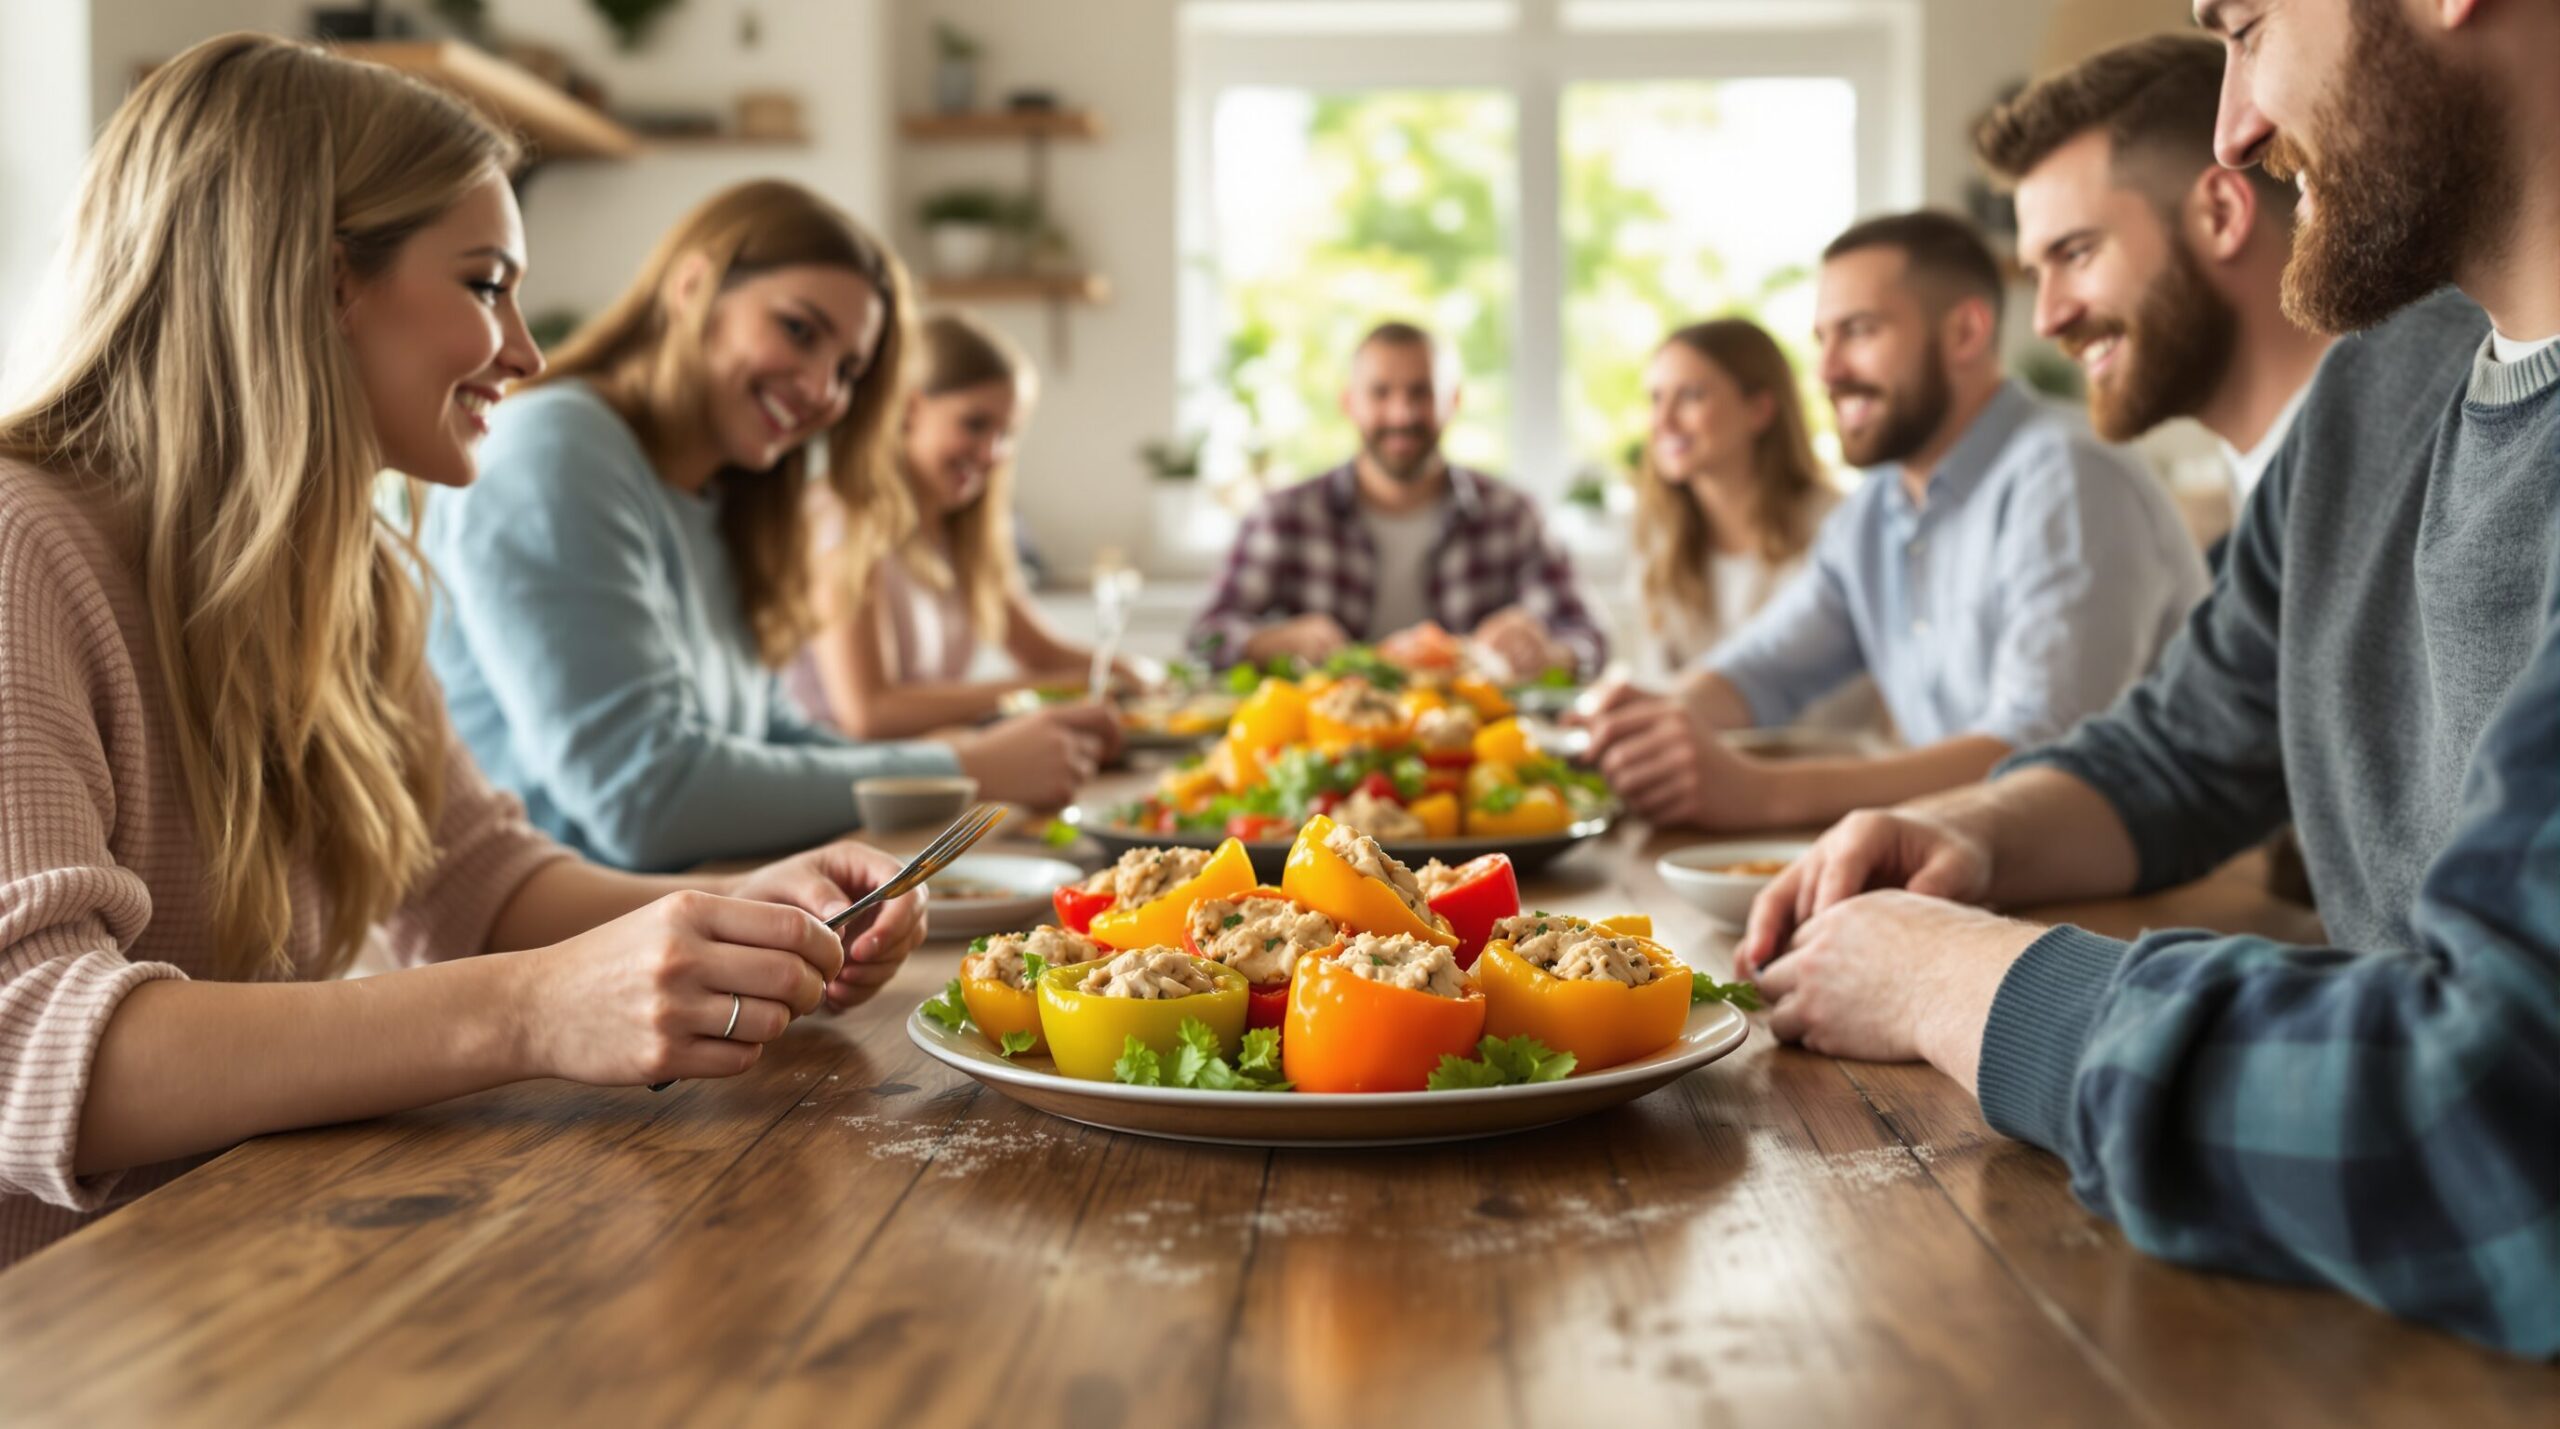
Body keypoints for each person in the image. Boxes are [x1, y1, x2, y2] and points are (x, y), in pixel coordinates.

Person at [0, 35, 923, 1267]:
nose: (530, 352)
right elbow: (32, 1048)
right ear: (323, 282)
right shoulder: (22, 550)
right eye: (488, 283)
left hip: (259, 1261)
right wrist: (537, 1010)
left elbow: (474, 886)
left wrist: (728, 920)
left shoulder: (354, 579)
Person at [1740, 0, 2560, 1355]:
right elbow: (2184, 745)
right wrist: (1967, 835)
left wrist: (1967, 986)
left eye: (2246, 25)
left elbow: (2493, 1113)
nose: (2238, 128)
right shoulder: (2381, 385)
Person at [424, 182, 1117, 871]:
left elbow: (770, 733)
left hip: (683, 923)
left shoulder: (724, 492)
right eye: (799, 329)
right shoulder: (553, 449)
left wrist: (970, 766)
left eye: (848, 370)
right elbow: (643, 799)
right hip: (554, 954)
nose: (822, 390)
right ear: (694, 287)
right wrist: (964, 767)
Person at [1583, 212, 2208, 831]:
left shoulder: (2067, 475)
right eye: (1822, 339)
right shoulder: (1874, 510)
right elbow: (1762, 669)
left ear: (1965, 332)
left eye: (1858, 331)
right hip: (1988, 854)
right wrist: (1645, 730)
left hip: (2167, 888)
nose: (1826, 372)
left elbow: (2039, 755)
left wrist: (1760, 793)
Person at [1974, 32, 2331, 554]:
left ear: (2221, 216)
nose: (2047, 319)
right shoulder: (2264, 506)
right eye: (2034, 276)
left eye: (2076, 253)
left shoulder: (2414, 472)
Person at [1186, 321, 1607, 679]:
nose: (1402, 414)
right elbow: (1205, 637)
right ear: (1350, 403)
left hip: (1472, 750)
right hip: (1325, 747)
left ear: (1453, 401)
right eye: (1381, 393)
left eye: (1421, 393)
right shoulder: (1283, 517)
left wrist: (1547, 652)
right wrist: (1268, 642)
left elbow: (1589, 638)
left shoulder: (1511, 515)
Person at [789, 311, 1140, 739]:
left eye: (1007, 434)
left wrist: (1134, 674)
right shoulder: (844, 522)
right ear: (910, 409)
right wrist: (1046, 692)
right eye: (975, 424)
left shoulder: (964, 535)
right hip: (842, 790)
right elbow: (868, 713)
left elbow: (1042, 651)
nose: (992, 453)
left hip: (928, 778)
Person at [1631, 318, 1884, 733]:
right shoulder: (1659, 536)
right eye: (1656, 399)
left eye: (1691, 396)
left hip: (1817, 773)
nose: (1664, 421)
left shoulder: (1839, 527)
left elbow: (1828, 706)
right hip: (1694, 770)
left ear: (1759, 410)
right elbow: (1654, 677)